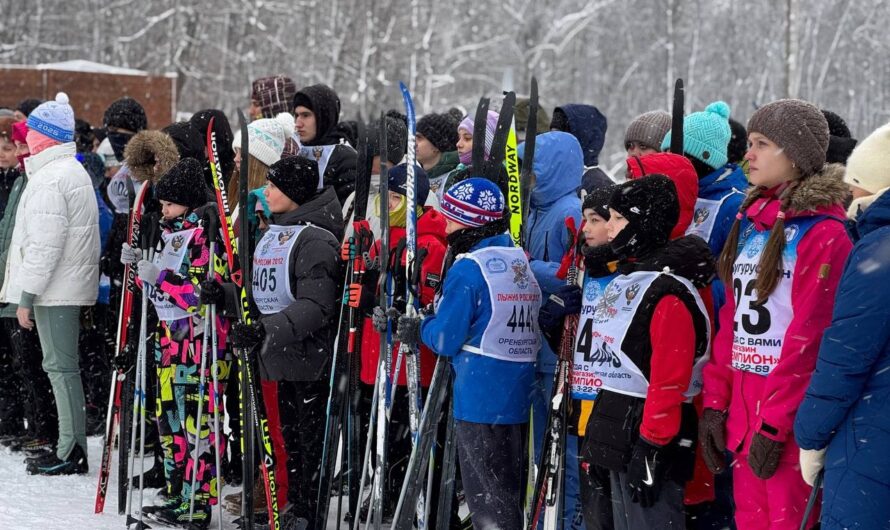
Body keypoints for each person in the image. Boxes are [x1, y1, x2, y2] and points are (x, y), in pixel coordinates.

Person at [699, 99, 853, 530]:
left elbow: (811, 339)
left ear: (795, 154)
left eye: (761, 144)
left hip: (785, 430)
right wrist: (716, 402)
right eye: (749, 143)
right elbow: (733, 323)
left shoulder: (825, 235)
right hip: (745, 422)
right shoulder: (754, 226)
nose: (748, 155)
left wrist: (774, 423)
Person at [395, 177, 541, 530]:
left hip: (480, 395)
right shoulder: (518, 257)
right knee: (507, 492)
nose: (446, 227)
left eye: (452, 220)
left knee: (487, 498)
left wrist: (420, 327)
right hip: (518, 391)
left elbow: (446, 337)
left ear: (470, 223)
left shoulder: (469, 268)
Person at [581, 175, 713, 530]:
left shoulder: (667, 293)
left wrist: (652, 446)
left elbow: (668, 381)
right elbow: (613, 369)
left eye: (618, 219)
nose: (610, 228)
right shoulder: (629, 277)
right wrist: (598, 443)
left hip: (650, 434)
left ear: (643, 224)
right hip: (617, 425)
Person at [231, 156, 342, 530]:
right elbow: (259, 288)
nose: (266, 192)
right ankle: (288, 506)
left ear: (293, 193)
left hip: (307, 360)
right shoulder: (276, 231)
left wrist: (267, 330)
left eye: (274, 186)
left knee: (305, 447)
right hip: (277, 355)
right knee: (284, 442)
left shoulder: (316, 239)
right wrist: (224, 294)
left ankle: (306, 513)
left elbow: (317, 305)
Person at [121, 158, 230, 528]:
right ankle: (177, 493)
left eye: (169, 204)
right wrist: (139, 268)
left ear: (187, 202)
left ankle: (198, 501)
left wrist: (159, 276)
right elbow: (159, 290)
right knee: (169, 423)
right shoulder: (170, 234)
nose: (164, 211)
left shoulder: (205, 235)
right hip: (168, 344)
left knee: (196, 425)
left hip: (198, 345)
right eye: (162, 204)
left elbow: (200, 295)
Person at [794, 122, 890, 530]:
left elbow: (846, 355)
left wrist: (811, 435)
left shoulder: (880, 250)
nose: (849, 194)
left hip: (872, 443)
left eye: (856, 183)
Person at [0, 93, 100, 475]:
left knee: (61, 369)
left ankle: (70, 450)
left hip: (56, 290)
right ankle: (68, 446)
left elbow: (44, 246)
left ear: (45, 136)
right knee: (60, 368)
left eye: (32, 131)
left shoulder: (52, 177)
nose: (26, 137)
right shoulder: (63, 172)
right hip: (61, 287)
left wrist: (25, 297)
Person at [355, 163, 447, 518]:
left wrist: (396, 305)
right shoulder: (384, 240)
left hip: (409, 364)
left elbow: (428, 300)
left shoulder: (430, 244)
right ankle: (382, 489)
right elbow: (370, 287)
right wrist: (362, 274)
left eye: (395, 198)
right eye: (385, 197)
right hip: (378, 358)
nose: (387, 204)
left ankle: (402, 496)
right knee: (378, 432)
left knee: (403, 436)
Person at [517, 130, 586, 529]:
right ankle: (544, 516)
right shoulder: (533, 209)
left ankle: (567, 519)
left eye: (533, 169)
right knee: (542, 446)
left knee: (563, 446)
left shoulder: (569, 211)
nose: (527, 177)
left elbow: (575, 274)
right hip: (534, 341)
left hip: (558, 346)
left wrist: (528, 265)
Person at [0, 119, 57, 455]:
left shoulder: (34, 181)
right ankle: (19, 423)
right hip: (11, 284)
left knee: (31, 366)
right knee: (16, 365)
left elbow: (32, 242)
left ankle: (41, 428)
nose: (15, 153)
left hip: (25, 288)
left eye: (18, 146)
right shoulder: (19, 180)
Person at [293, 84, 358, 205]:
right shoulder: (293, 150)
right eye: (296, 115)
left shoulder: (346, 159)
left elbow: (347, 211)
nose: (298, 123)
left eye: (306, 115)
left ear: (323, 117)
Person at [550, 104, 612, 196]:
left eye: (558, 136)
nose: (552, 143)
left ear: (580, 139)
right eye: (551, 136)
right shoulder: (554, 179)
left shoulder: (600, 186)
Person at [416, 112, 460, 196]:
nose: (414, 143)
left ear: (437, 145)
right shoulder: (414, 176)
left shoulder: (456, 178)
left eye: (419, 138)